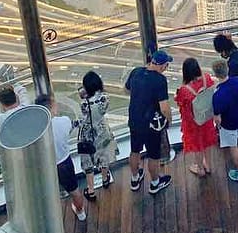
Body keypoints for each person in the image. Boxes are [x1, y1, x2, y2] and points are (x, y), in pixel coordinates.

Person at [124, 49, 174, 194]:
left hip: (135, 120)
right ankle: (154, 183)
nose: (166, 68)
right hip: (151, 125)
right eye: (166, 65)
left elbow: (126, 90)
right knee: (153, 155)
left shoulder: (136, 72)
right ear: (162, 66)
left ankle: (135, 179)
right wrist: (169, 120)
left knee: (135, 151)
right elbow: (164, 108)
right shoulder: (160, 80)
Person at [35, 93, 87, 221]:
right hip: (64, 163)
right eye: (55, 104)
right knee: (74, 191)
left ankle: (51, 220)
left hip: (46, 166)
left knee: (48, 195)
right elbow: (70, 128)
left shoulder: (36, 129)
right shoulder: (63, 121)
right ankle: (81, 213)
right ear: (51, 107)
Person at [175, 57, 219, 176]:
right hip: (206, 117)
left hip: (193, 122)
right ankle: (207, 165)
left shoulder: (184, 90)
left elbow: (182, 106)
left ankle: (200, 169)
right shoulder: (206, 78)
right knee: (207, 141)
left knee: (197, 145)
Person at [212, 57, 238, 183]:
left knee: (233, 147)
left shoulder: (218, 95)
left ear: (215, 74)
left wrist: (218, 127)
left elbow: (217, 118)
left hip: (228, 124)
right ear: (227, 69)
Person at [77, 70, 115, 199]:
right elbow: (102, 109)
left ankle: (91, 190)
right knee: (103, 156)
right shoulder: (105, 98)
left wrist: (84, 96)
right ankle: (105, 179)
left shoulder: (84, 103)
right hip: (102, 131)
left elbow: (84, 114)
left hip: (87, 134)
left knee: (88, 162)